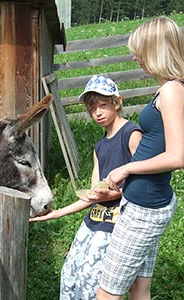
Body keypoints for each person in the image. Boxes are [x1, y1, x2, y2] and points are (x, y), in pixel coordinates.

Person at [30, 74, 142, 300]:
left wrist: (111, 193)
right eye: (92, 109)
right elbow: (93, 195)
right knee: (70, 275)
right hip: (94, 221)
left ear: (117, 102)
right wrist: (57, 213)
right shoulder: (99, 147)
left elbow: (141, 188)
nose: (98, 113)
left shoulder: (131, 134)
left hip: (117, 225)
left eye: (103, 105)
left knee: (93, 284)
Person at [96, 17, 184, 300]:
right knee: (139, 288)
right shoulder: (171, 88)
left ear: (157, 50)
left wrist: (126, 167)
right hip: (147, 200)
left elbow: (177, 155)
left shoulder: (172, 91)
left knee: (106, 294)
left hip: (145, 208)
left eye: (140, 51)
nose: (135, 57)